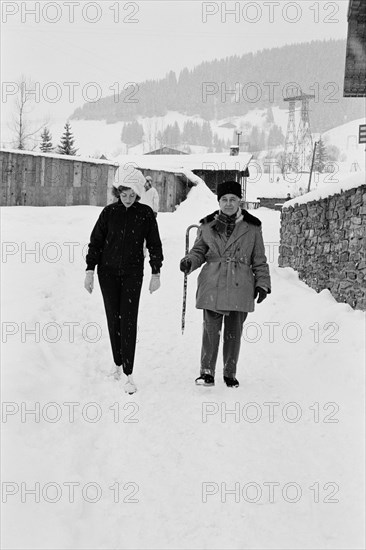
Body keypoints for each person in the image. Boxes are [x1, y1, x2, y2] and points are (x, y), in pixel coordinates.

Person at [180, 180, 271, 388]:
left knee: (233, 332)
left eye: (233, 199)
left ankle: (230, 373)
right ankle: (206, 372)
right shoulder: (207, 225)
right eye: (224, 199)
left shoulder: (253, 227)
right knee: (211, 329)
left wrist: (262, 284)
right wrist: (189, 262)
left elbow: (259, 259)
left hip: (241, 284)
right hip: (213, 280)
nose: (228, 203)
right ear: (218, 201)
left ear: (239, 200)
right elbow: (198, 251)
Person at [84, 165, 163, 394]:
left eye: (132, 195)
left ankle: (129, 372)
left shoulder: (145, 214)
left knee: (128, 320)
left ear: (138, 194)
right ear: (117, 192)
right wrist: (90, 270)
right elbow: (96, 243)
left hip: (132, 274)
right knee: (113, 319)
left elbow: (155, 244)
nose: (128, 199)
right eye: (123, 194)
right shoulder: (109, 213)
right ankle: (117, 363)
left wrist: (155, 272)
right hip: (106, 274)